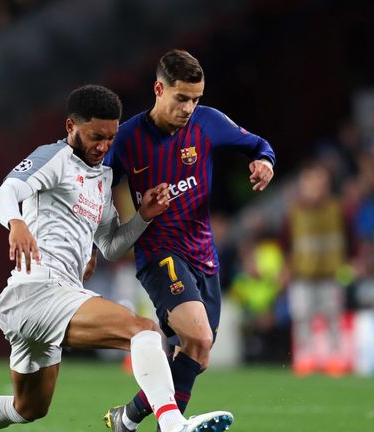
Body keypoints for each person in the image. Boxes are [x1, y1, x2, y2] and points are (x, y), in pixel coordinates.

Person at [0, 85, 234, 432]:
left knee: (27, 407)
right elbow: (5, 194)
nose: (103, 146)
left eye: (110, 138)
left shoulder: (102, 178)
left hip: (52, 300)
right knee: (142, 330)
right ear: (71, 126)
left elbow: (112, 245)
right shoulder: (54, 157)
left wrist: (143, 216)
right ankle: (173, 424)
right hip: (39, 291)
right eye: (95, 136)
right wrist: (16, 223)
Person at [101, 50, 275, 432]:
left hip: (203, 254)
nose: (189, 108)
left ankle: (126, 419)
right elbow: (95, 191)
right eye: (181, 98)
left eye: (195, 99)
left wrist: (265, 163)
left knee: (198, 350)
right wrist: (95, 240)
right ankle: (172, 427)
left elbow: (261, 145)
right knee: (197, 334)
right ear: (159, 89)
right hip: (158, 253)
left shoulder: (208, 123)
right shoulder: (127, 138)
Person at [281, 163, 350, 376]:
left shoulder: (337, 209)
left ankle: (336, 358)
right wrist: (286, 267)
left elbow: (350, 236)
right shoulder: (295, 212)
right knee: (302, 317)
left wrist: (352, 260)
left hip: (330, 273)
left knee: (332, 317)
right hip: (302, 273)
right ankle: (305, 358)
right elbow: (285, 242)